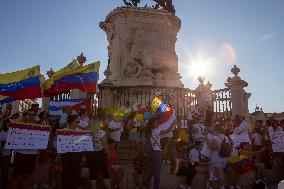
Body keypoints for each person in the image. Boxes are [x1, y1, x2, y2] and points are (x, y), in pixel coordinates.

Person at [143, 117, 176, 189]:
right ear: (153, 124)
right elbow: (167, 131)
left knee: (149, 171)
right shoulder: (157, 130)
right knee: (156, 173)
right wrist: (173, 123)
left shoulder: (149, 131)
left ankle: (147, 186)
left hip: (150, 153)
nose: (157, 123)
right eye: (156, 122)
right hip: (157, 153)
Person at [11, 109, 39, 189]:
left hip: (32, 154)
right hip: (20, 153)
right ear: (26, 116)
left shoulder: (39, 127)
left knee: (28, 175)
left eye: (34, 115)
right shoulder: (19, 125)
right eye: (30, 114)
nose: (32, 116)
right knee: (17, 176)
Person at [86, 112, 111, 189]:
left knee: (93, 172)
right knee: (105, 173)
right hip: (99, 154)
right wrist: (108, 153)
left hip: (90, 153)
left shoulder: (88, 132)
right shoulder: (100, 132)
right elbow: (105, 143)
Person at [61, 115, 83, 189]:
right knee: (66, 173)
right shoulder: (63, 131)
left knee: (76, 173)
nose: (79, 123)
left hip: (77, 155)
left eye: (79, 121)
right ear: (72, 122)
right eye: (77, 121)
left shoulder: (80, 131)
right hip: (67, 155)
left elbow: (83, 143)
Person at [0, 119, 11, 189]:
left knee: (5, 171)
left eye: (8, 124)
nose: (6, 125)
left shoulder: (12, 133)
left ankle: (4, 185)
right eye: (4, 124)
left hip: (6, 155)